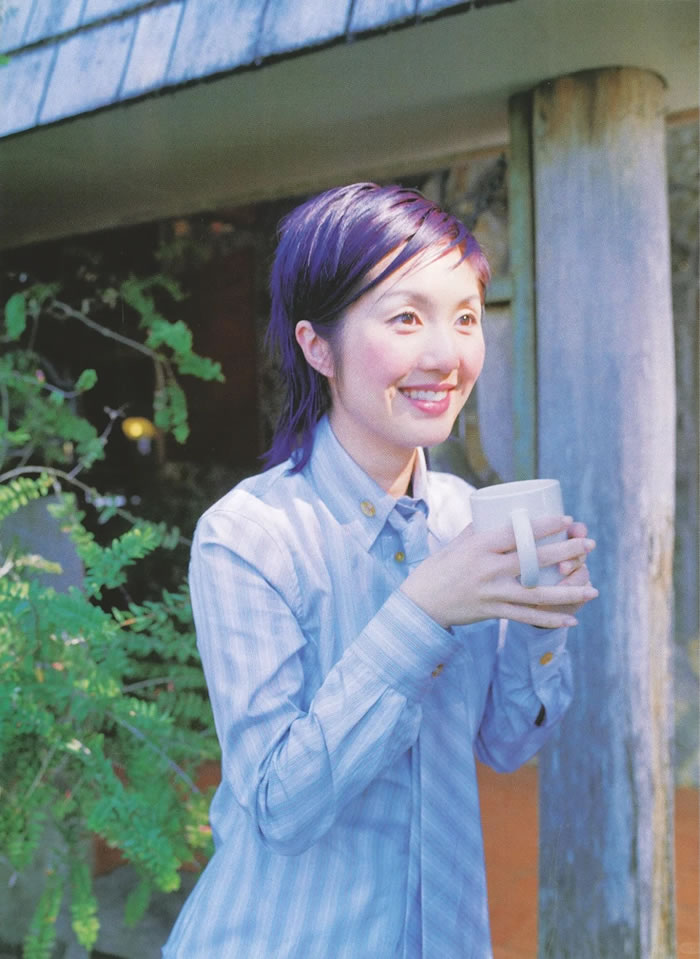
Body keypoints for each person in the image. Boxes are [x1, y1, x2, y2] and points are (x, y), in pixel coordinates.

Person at [162, 182, 597, 958]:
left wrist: (541, 621)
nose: (447, 355)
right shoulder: (249, 536)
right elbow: (279, 808)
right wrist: (421, 611)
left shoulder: (466, 518)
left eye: (466, 317)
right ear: (316, 346)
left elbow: (504, 744)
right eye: (406, 317)